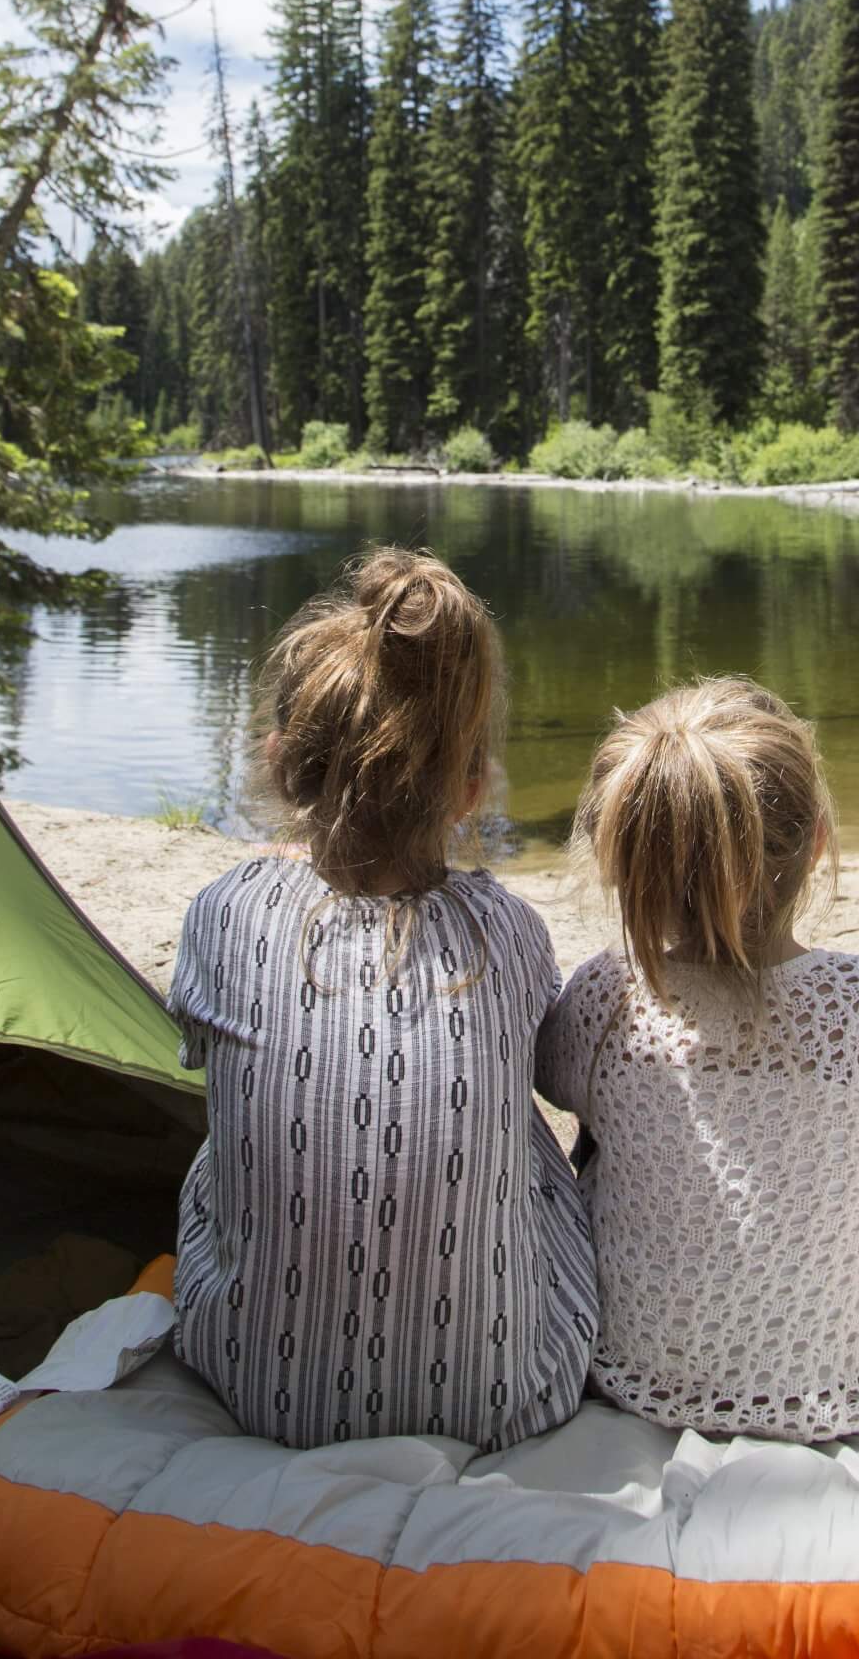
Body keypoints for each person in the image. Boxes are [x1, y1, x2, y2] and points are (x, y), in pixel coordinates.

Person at [168, 546, 597, 1452]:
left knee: (223, 1143)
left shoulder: (225, 914)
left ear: (283, 767)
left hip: (257, 1385)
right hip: (506, 1397)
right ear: (470, 789)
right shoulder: (507, 932)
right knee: (527, 1140)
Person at [536, 677, 859, 1445]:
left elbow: (557, 1083)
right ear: (817, 840)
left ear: (626, 862)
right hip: (835, 1379)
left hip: (635, 1369)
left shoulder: (604, 993)